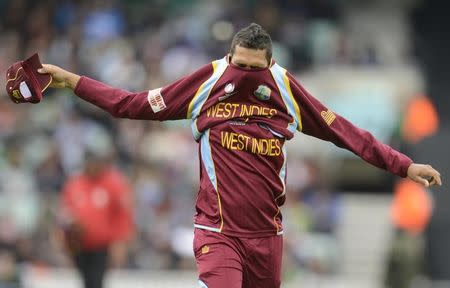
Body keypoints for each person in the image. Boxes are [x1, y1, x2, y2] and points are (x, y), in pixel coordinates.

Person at [38, 23, 441, 288]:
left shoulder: (285, 88)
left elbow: (344, 132)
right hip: (218, 233)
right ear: (230, 56)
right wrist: (72, 81)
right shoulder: (209, 81)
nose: (244, 75)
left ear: (270, 62)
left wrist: (403, 165)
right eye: (239, 64)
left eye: (254, 68)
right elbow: (130, 103)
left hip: (268, 238)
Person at [58, 142, 134, 288]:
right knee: (86, 281)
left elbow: (122, 215)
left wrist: (120, 243)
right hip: (78, 244)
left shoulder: (113, 183)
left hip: (102, 246)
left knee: (96, 281)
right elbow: (64, 212)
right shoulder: (74, 184)